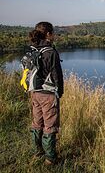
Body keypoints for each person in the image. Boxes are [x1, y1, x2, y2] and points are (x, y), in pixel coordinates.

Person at [28, 22, 63, 165]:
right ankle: (50, 159)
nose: (54, 35)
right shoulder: (51, 52)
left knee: (37, 123)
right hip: (48, 94)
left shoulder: (33, 49)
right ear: (48, 34)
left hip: (34, 92)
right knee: (50, 126)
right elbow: (57, 76)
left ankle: (37, 153)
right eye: (53, 32)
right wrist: (59, 92)